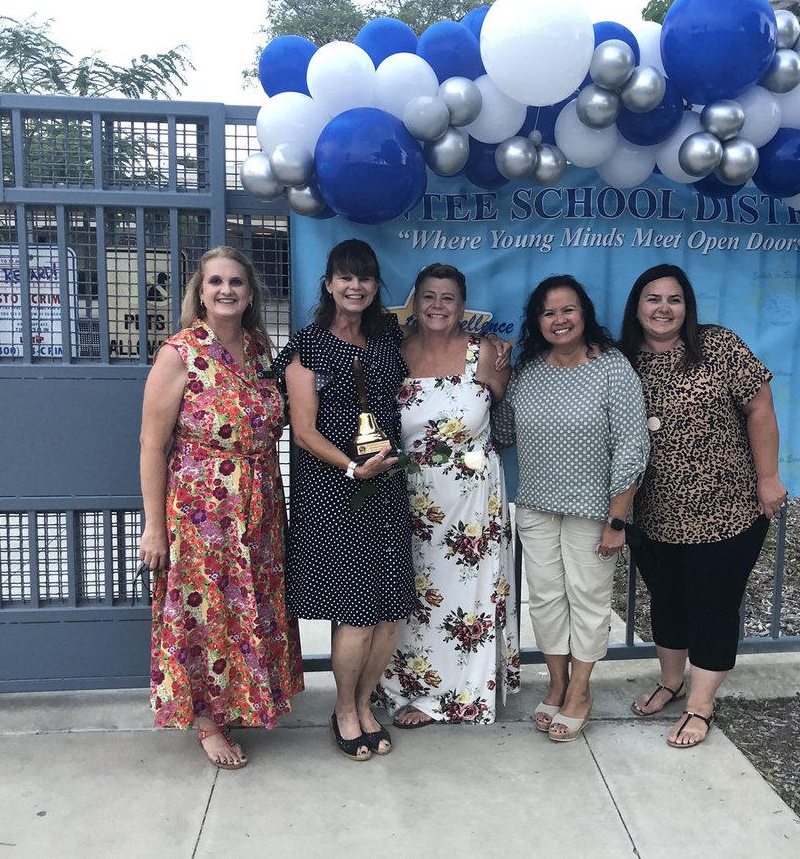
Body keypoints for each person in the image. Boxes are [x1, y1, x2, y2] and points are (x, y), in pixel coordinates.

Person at [138, 246, 304, 770]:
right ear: (201, 292)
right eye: (215, 282)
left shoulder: (260, 347)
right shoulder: (180, 352)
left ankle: (242, 703)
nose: (226, 290)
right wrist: (154, 527)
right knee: (205, 613)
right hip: (201, 509)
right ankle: (207, 722)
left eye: (236, 281)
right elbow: (150, 444)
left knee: (246, 607)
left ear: (250, 293)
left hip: (260, 503)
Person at [618, 263, 787, 748]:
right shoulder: (623, 361)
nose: (663, 308)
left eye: (674, 299)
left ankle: (701, 704)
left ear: (687, 307)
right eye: (653, 299)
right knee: (667, 602)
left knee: (713, 607)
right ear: (637, 306)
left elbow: (761, 407)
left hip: (728, 511)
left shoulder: (717, 345)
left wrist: (768, 477)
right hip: (655, 514)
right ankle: (671, 683)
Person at [493, 274, 648, 743]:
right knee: (543, 600)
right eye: (548, 312)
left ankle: (581, 690)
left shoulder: (613, 368)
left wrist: (617, 518)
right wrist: (497, 378)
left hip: (595, 511)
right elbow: (503, 433)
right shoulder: (529, 372)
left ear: (585, 314)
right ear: (536, 322)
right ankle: (557, 684)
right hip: (538, 507)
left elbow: (632, 446)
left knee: (587, 599)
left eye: (568, 309)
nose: (559, 320)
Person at [275, 239, 412, 762]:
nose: (355, 287)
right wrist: (353, 467)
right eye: (345, 278)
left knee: (390, 608)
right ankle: (345, 710)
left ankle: (363, 700)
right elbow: (303, 430)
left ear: (376, 287)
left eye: (366, 278)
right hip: (335, 490)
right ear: (329, 283)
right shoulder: (306, 346)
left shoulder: (386, 340)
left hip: (387, 487)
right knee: (355, 609)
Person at [382, 263, 521, 728]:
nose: (437, 306)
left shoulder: (484, 355)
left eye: (447, 297)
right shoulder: (395, 354)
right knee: (417, 594)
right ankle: (412, 688)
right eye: (428, 296)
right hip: (408, 494)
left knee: (468, 595)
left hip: (473, 498)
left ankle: (457, 695)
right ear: (414, 304)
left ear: (462, 306)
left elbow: (504, 405)